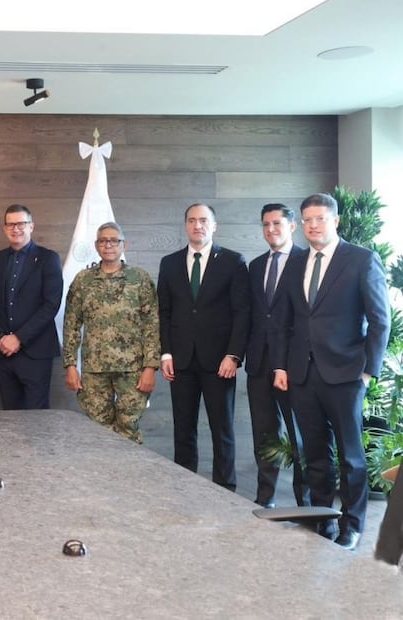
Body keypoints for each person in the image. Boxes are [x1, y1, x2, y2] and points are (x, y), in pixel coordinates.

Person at [274, 193, 390, 550]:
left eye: (320, 219)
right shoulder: (294, 263)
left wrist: (368, 372)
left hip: (346, 375)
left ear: (335, 221)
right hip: (302, 375)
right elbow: (283, 320)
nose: (313, 225)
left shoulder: (361, 260)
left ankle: (352, 526)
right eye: (307, 220)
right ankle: (323, 520)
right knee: (316, 455)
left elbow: (379, 321)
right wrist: (280, 365)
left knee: (351, 457)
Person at [158, 203, 250, 491]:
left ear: (214, 225)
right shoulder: (170, 263)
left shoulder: (233, 261)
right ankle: (184, 486)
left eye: (203, 221)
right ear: (185, 225)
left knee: (222, 430)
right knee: (183, 429)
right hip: (181, 360)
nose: (197, 226)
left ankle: (225, 489)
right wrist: (166, 352)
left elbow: (242, 312)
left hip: (219, 362)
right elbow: (165, 312)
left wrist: (233, 355)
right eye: (192, 220)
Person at [62, 222, 159, 443]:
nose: (108, 245)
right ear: (96, 246)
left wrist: (150, 368)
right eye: (103, 241)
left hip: (132, 370)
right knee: (98, 433)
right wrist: (70, 366)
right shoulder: (83, 280)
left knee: (129, 430)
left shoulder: (139, 279)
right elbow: (71, 325)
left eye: (114, 240)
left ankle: (131, 477)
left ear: (124, 245)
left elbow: (152, 325)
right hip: (94, 371)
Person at [245, 204, 309, 508]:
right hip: (258, 363)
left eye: (277, 223)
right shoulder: (255, 266)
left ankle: (305, 501)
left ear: (292, 226)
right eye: (266, 224)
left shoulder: (307, 261)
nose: (271, 229)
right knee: (264, 434)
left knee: (300, 436)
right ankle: (265, 498)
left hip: (295, 365)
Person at [0, 204, 63, 410]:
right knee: (10, 416)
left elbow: (51, 304)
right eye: (10, 224)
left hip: (35, 352)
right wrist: (1, 337)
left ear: (31, 226)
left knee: (36, 419)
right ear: (4, 228)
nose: (15, 229)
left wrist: (18, 338)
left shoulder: (48, 258)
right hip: (4, 354)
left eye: (21, 224)